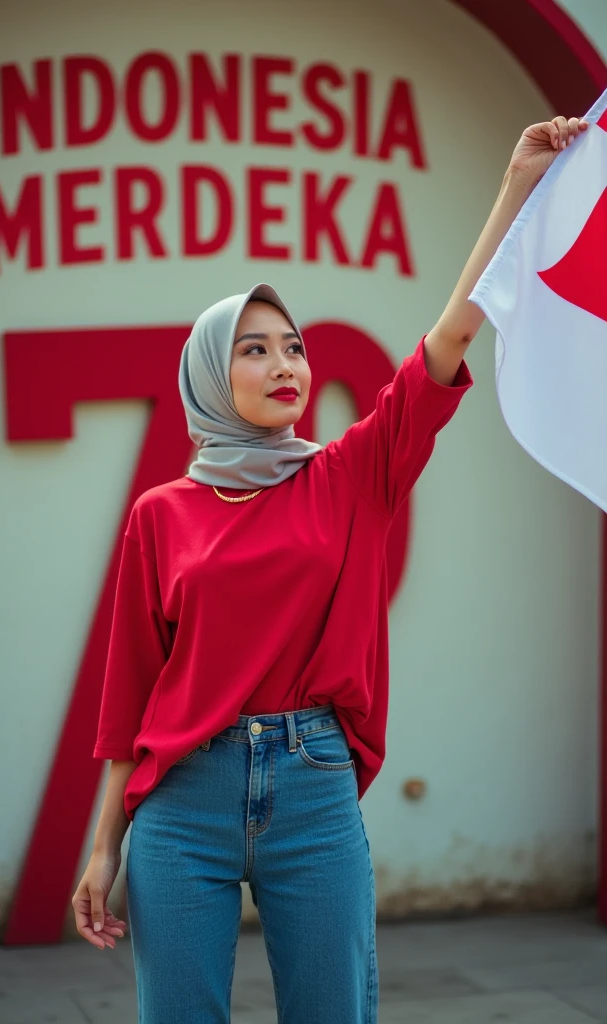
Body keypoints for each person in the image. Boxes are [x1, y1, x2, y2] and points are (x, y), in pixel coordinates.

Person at [72, 114, 588, 1023]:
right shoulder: (161, 515)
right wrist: (103, 845)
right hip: (181, 801)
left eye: (296, 346)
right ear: (206, 374)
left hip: (311, 787)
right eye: (255, 348)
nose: (286, 364)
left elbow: (450, 339)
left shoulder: (352, 475)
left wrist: (520, 184)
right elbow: (130, 697)